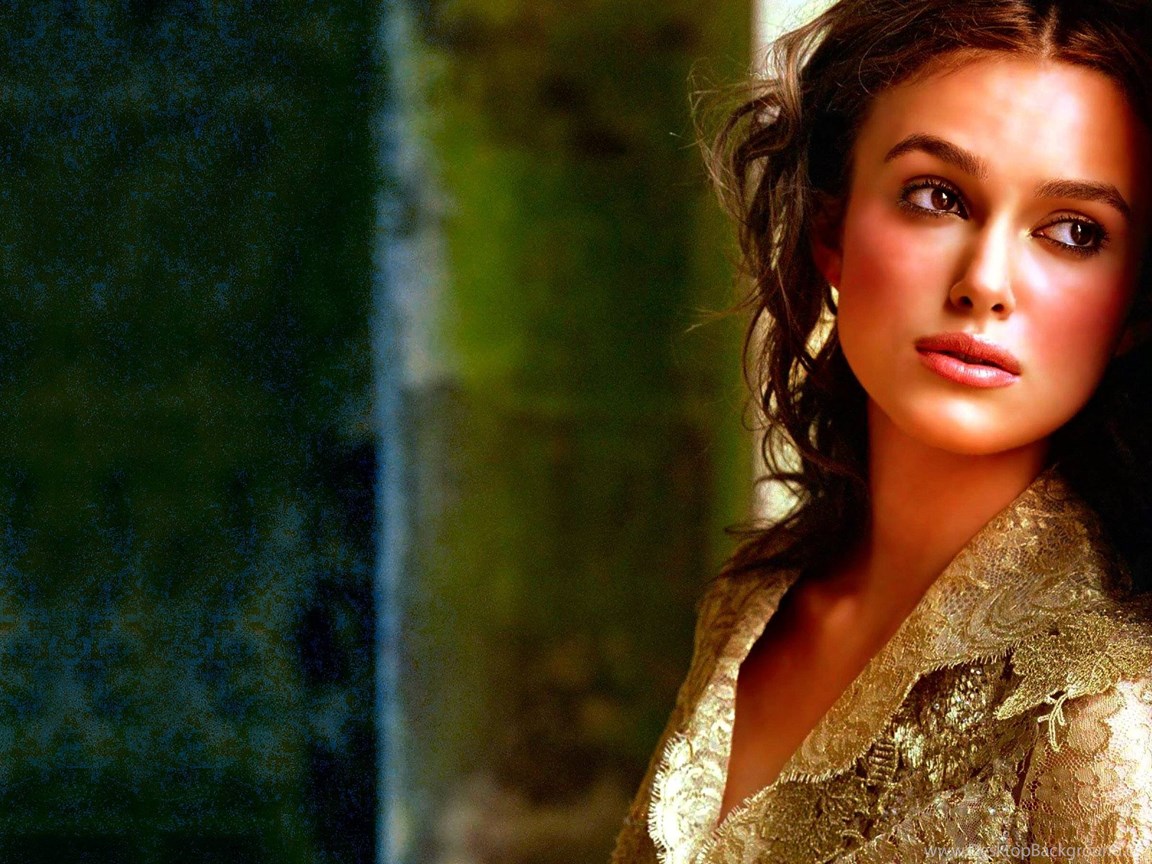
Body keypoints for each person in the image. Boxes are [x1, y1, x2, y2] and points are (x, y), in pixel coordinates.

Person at [611, 0, 1152, 861]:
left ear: (1135, 308)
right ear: (829, 228)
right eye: (937, 196)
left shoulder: (1107, 717)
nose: (985, 283)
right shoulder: (752, 607)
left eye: (1074, 232)